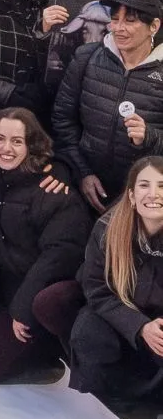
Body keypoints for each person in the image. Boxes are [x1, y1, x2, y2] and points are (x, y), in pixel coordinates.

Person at [0, 109, 91, 384]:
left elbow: (57, 257)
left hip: (48, 294)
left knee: (47, 305)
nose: (6, 148)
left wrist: (21, 308)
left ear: (31, 145)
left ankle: (58, 344)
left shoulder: (54, 192)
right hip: (12, 290)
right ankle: (37, 346)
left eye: (17, 141)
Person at [52, 0, 163, 214]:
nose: (118, 28)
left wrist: (149, 137)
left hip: (142, 199)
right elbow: (63, 120)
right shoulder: (86, 57)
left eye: (130, 21)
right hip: (85, 187)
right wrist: (83, 172)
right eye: (115, 19)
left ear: (154, 26)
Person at [69, 154, 163, 401]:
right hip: (121, 313)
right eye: (144, 185)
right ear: (131, 195)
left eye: (162, 186)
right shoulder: (107, 229)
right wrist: (139, 325)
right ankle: (108, 391)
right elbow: (96, 288)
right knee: (88, 331)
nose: (153, 194)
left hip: (160, 322)